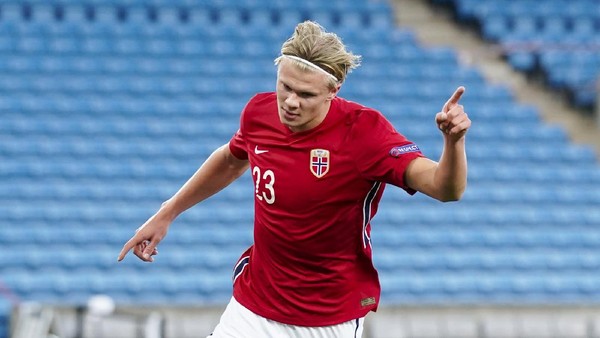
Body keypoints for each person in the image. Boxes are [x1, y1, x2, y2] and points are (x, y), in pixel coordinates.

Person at [118, 21, 471, 338]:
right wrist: (168, 211)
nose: (289, 102)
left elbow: (445, 189)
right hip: (253, 307)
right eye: (284, 86)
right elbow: (230, 159)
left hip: (327, 319)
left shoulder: (365, 133)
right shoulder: (259, 112)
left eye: (306, 95)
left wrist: (453, 142)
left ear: (334, 90)